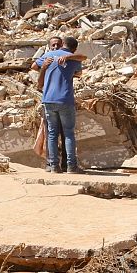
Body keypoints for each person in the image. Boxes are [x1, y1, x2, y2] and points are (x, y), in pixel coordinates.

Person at [35, 36, 86, 173]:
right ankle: (71, 166)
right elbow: (79, 72)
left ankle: (53, 166)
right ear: (74, 49)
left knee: (52, 134)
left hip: (48, 100)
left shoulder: (48, 55)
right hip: (65, 100)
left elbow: (34, 65)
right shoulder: (74, 58)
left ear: (62, 43)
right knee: (68, 133)